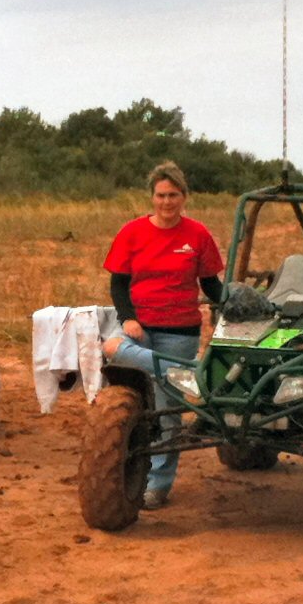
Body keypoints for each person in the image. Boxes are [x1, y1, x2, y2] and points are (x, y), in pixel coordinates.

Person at [101, 161, 225, 510]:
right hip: (139, 326)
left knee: (167, 412)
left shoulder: (197, 235)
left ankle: (158, 484)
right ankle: (186, 376)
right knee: (113, 348)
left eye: (173, 195)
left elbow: (211, 285)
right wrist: (127, 318)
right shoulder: (132, 232)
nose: (166, 202)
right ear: (152, 197)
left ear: (184, 197)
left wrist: (234, 301)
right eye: (160, 195)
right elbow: (119, 282)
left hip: (180, 331)